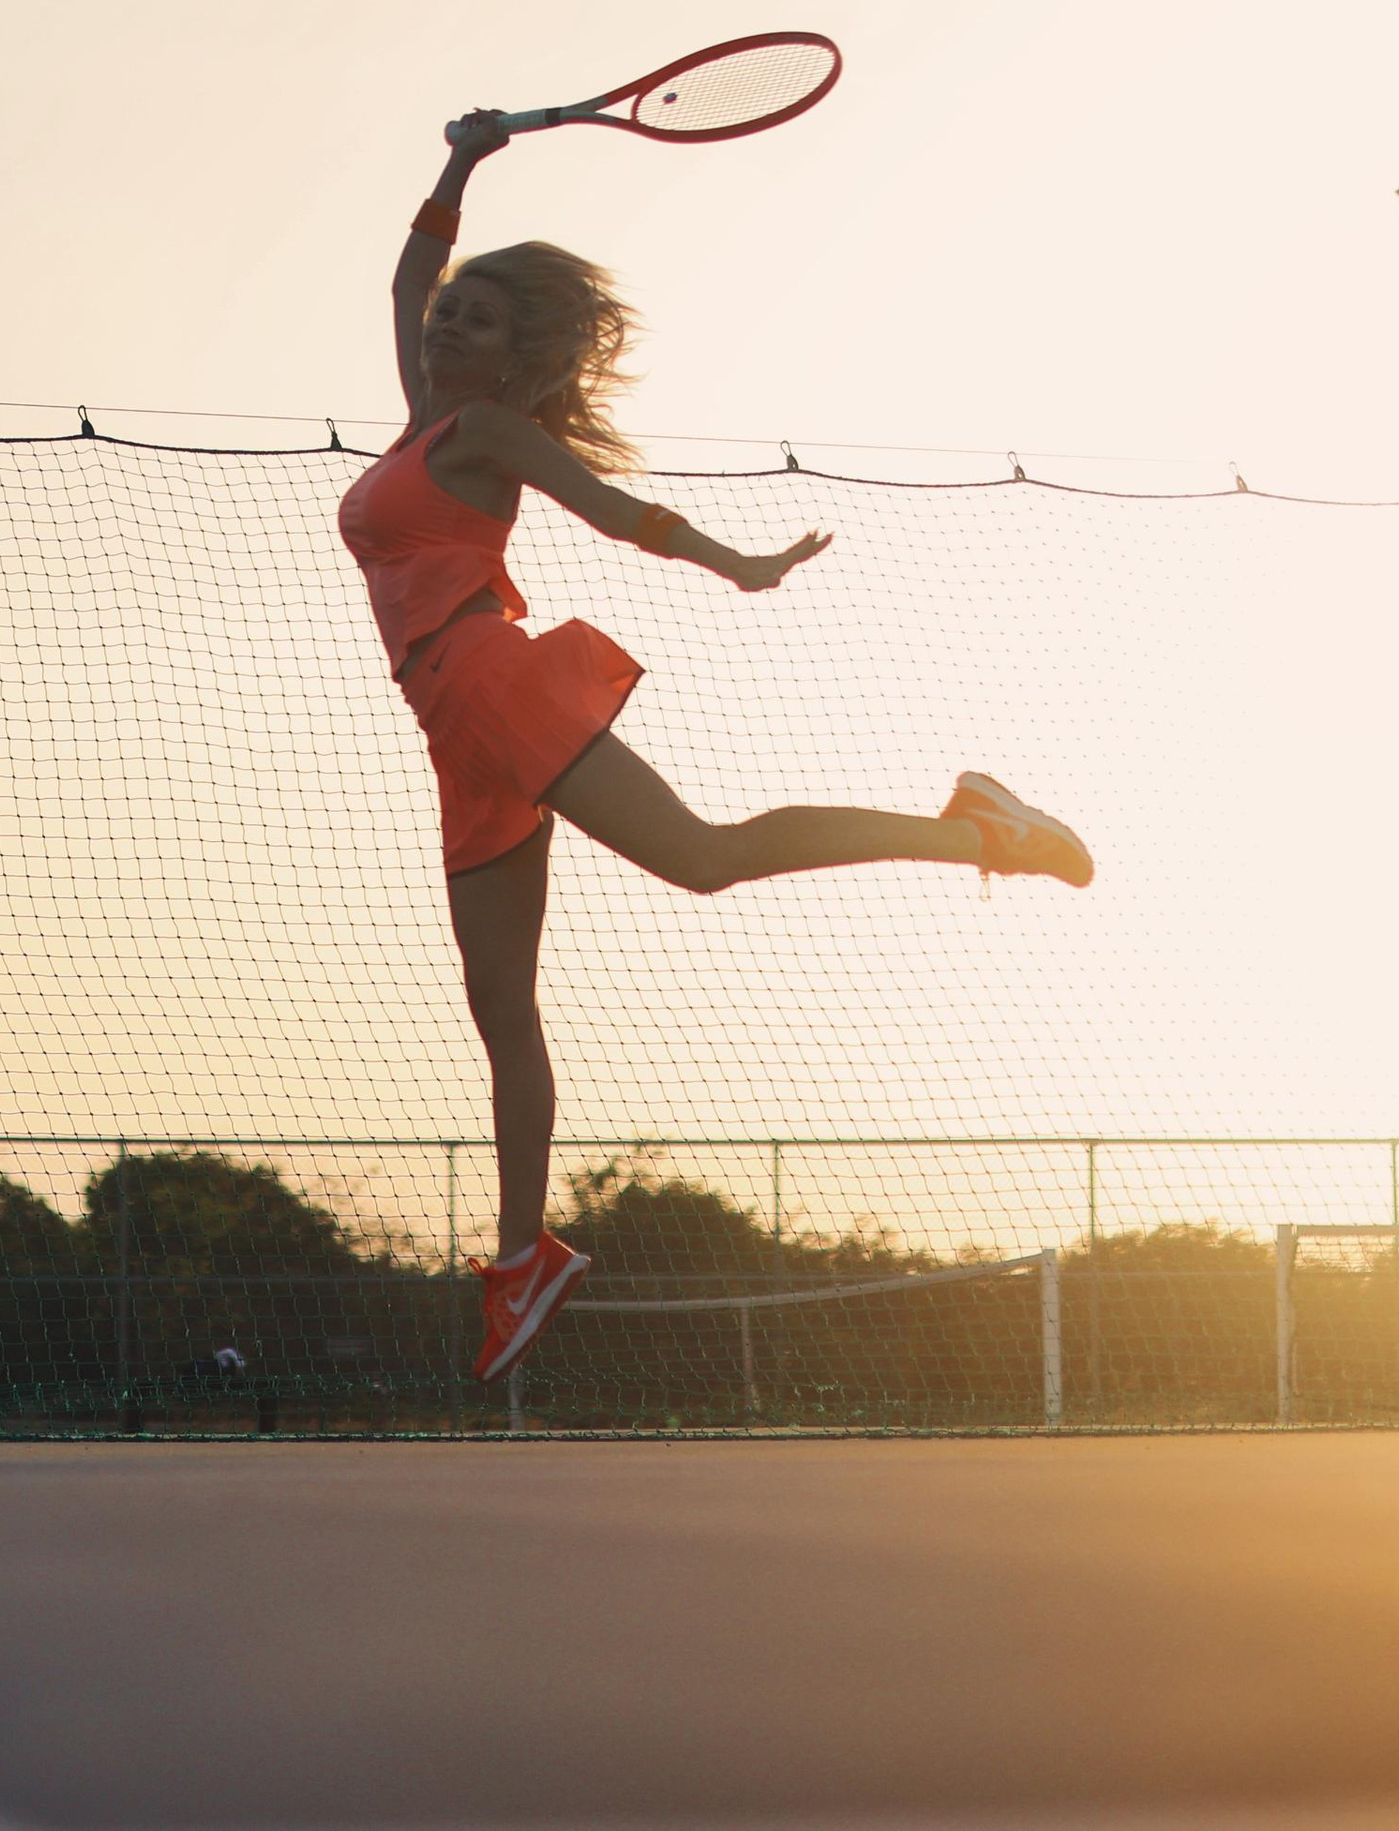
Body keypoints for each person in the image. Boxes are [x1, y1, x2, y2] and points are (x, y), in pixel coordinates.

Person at [337, 110, 1091, 1385]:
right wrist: (463, 162)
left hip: (489, 679)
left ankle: (980, 826)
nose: (445, 322)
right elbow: (408, 275)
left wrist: (738, 563)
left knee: (703, 858)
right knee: (500, 1006)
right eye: (447, 314)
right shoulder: (423, 417)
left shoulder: (485, 436)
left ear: (520, 352)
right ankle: (523, 1260)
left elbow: (621, 511)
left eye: (477, 317)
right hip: (446, 721)